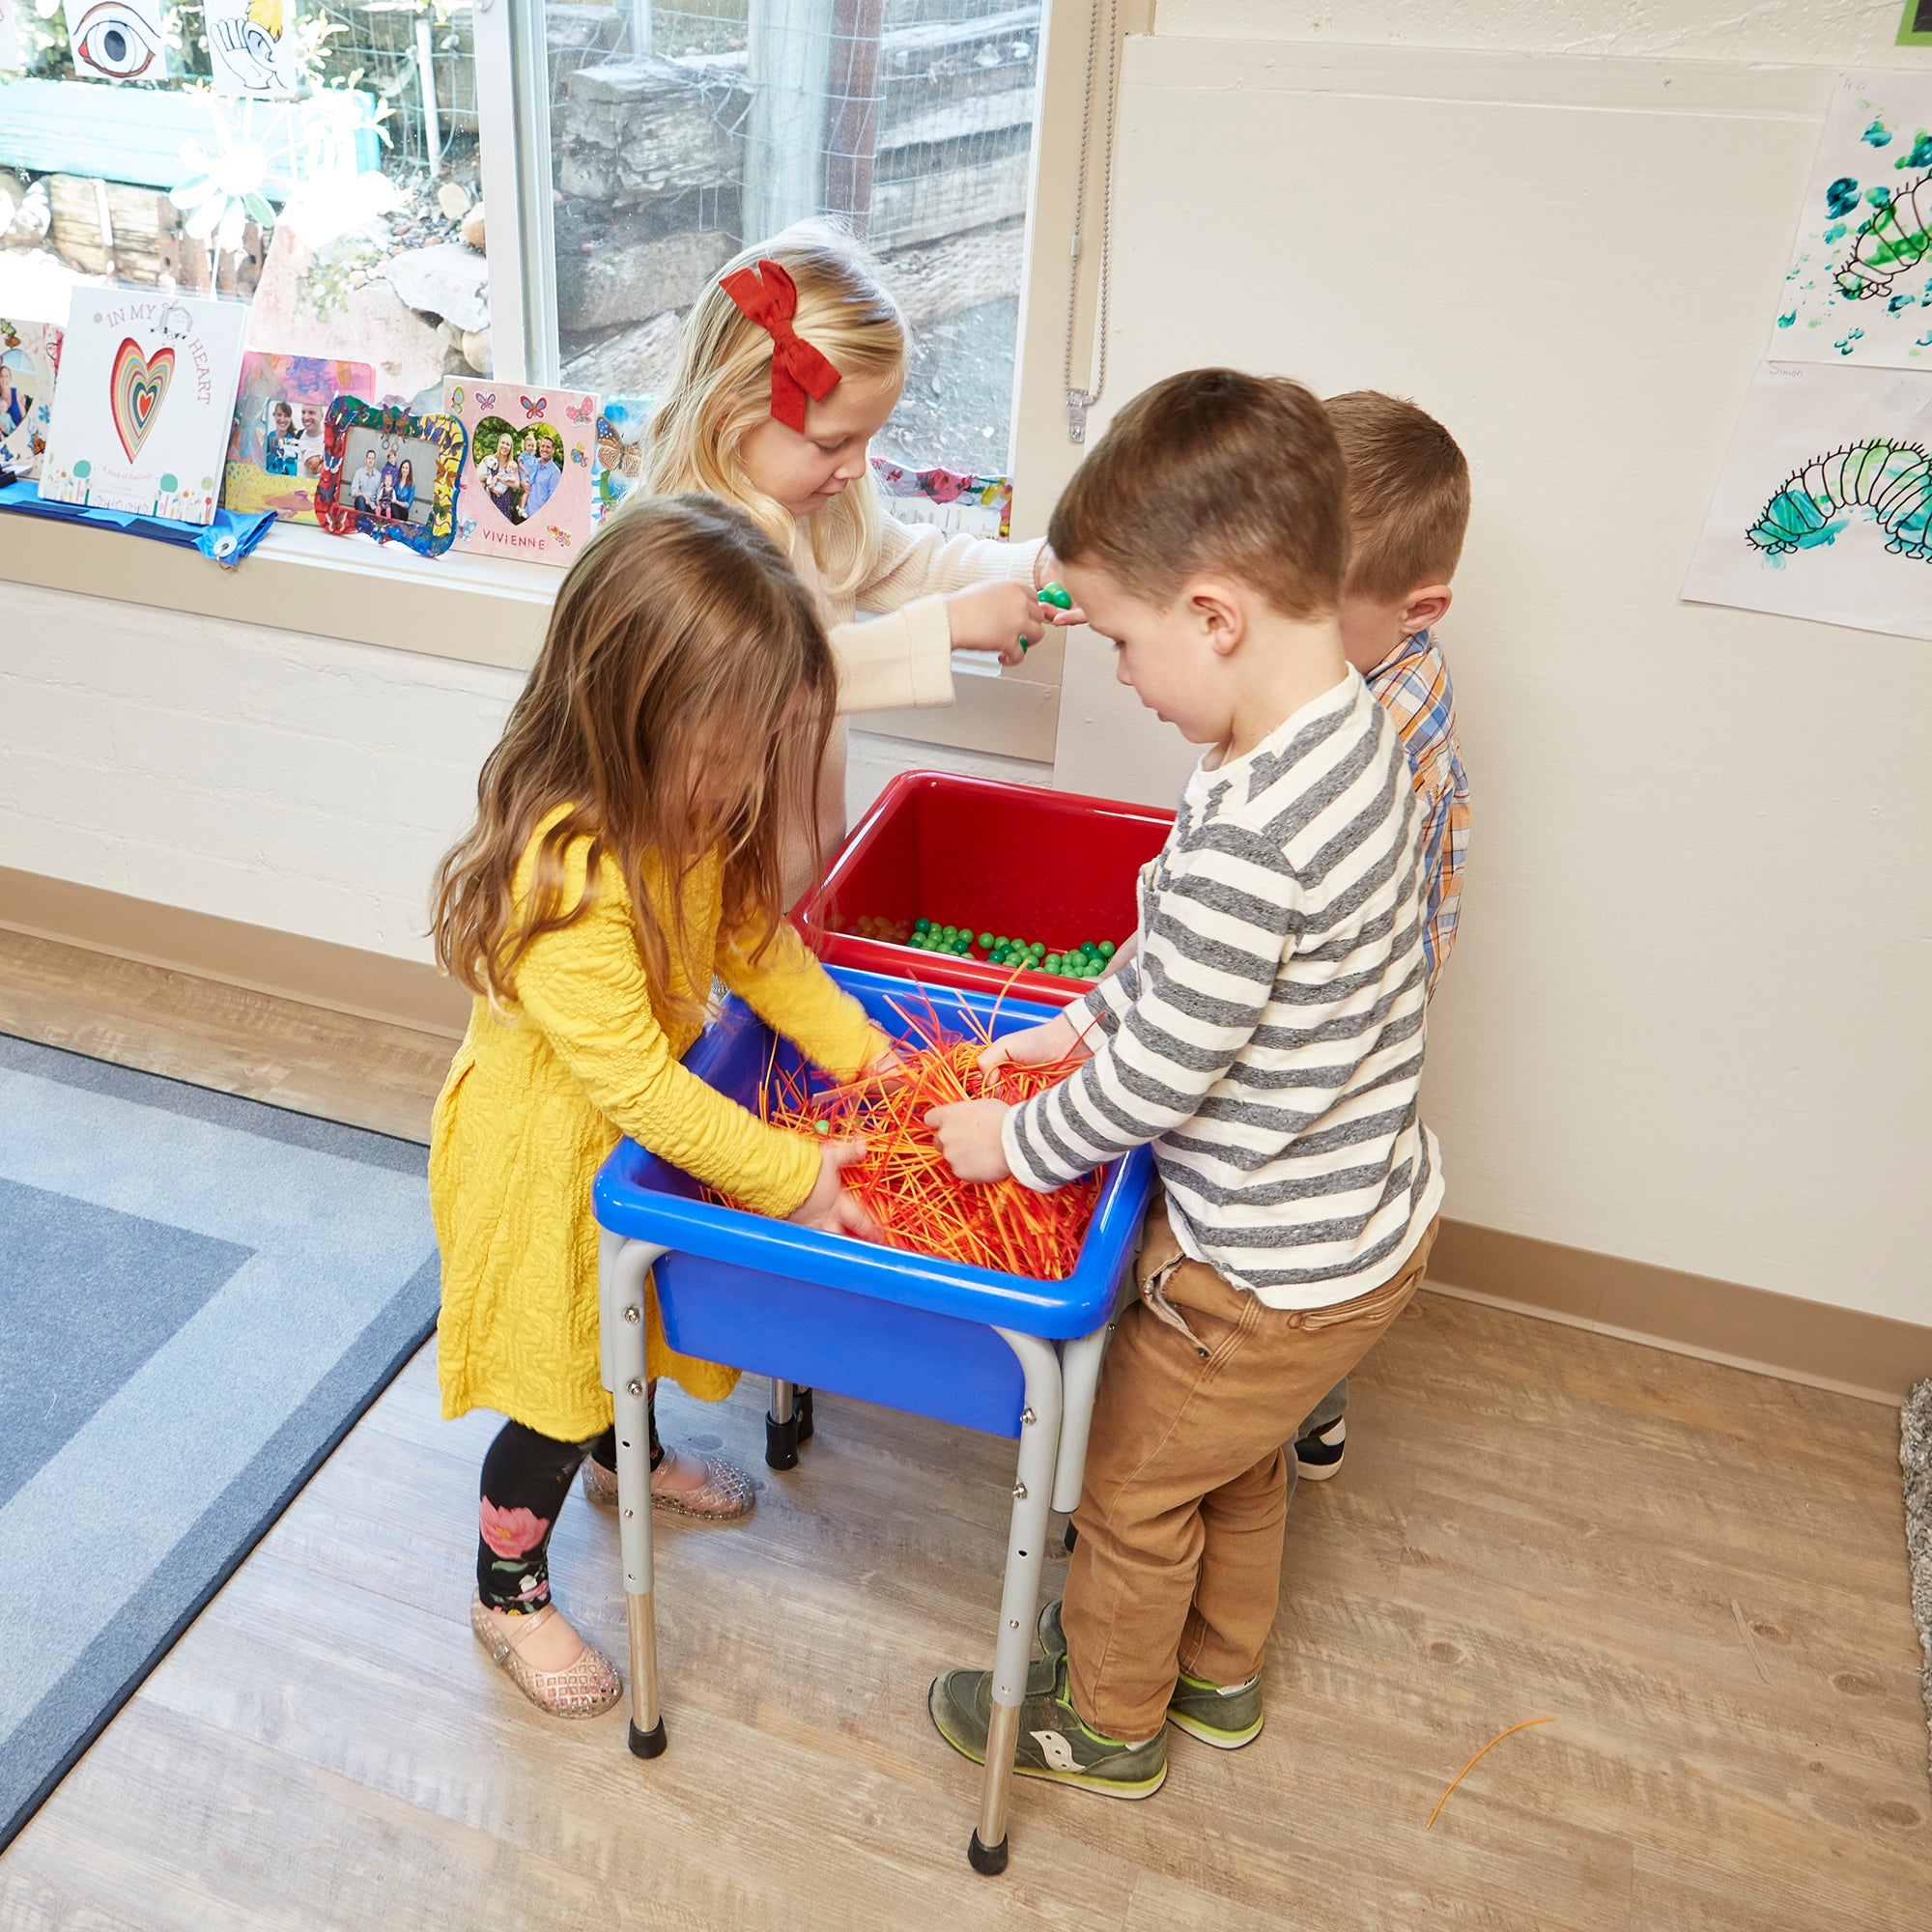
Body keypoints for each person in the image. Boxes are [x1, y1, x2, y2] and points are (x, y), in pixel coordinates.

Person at [923, 370, 1443, 1799]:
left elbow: (1154, 1084)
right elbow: (1189, 970)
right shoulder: (1340, 729)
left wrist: (1011, 1141)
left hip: (1260, 1269)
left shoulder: (1249, 826)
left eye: (1123, 641)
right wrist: (1082, 1016)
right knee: (1243, 1466)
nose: (1124, 676)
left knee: (1138, 1486)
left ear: (1216, 615)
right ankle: (1218, 1680)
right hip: (1360, 1237)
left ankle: (1109, 1721)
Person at [429, 495, 894, 1718]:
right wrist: (796, 1174)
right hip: (543, 1166)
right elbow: (632, 1080)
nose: (750, 777)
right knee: (554, 1376)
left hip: (627, 1144)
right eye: (736, 746)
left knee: (623, 1325)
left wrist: (863, 1056)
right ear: (643, 717)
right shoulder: (570, 875)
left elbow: (759, 948)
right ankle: (506, 1584)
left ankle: (612, 1456)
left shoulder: (688, 813)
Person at [641, 225, 1082, 893]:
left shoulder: (817, 513)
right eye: (832, 443)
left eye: (868, 439)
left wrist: (1036, 568)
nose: (856, 467)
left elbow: (913, 563)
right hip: (692, 897)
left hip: (799, 878)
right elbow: (768, 684)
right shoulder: (675, 556)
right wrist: (951, 627)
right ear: (730, 419)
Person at [480, 430, 525, 525]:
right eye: (503, 443)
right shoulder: (490, 459)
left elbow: (516, 484)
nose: (504, 446)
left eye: (508, 444)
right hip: (488, 500)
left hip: (503, 503)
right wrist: (486, 477)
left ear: (511, 448)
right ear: (499, 444)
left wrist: (499, 478)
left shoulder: (512, 464)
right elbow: (479, 478)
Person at [524, 425, 563, 518]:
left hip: (540, 519)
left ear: (553, 450)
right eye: (543, 446)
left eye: (548, 447)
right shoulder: (533, 463)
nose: (544, 449)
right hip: (525, 514)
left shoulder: (555, 472)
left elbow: (552, 501)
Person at [263, 399, 298, 476]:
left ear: (290, 418)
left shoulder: (294, 440)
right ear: (274, 415)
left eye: (286, 416)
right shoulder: (269, 436)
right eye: (279, 415)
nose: (282, 419)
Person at [297, 403, 327, 478]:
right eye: (303, 412)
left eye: (311, 413)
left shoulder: (327, 440)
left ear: (321, 416)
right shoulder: (299, 435)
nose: (306, 417)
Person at [351, 446, 382, 511]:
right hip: (361, 502)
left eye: (372, 459)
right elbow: (353, 491)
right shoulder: (359, 473)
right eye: (369, 458)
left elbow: (379, 494)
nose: (371, 460)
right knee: (360, 499)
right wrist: (364, 496)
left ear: (374, 460)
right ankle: (362, 518)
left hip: (372, 505)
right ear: (366, 459)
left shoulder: (379, 476)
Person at [390, 456, 417, 524]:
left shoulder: (412, 486)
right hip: (393, 508)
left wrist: (396, 501)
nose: (404, 470)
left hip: (403, 511)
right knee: (392, 506)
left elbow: (408, 504)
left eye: (406, 468)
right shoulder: (395, 481)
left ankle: (398, 525)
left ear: (409, 470)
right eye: (403, 467)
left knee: (394, 506)